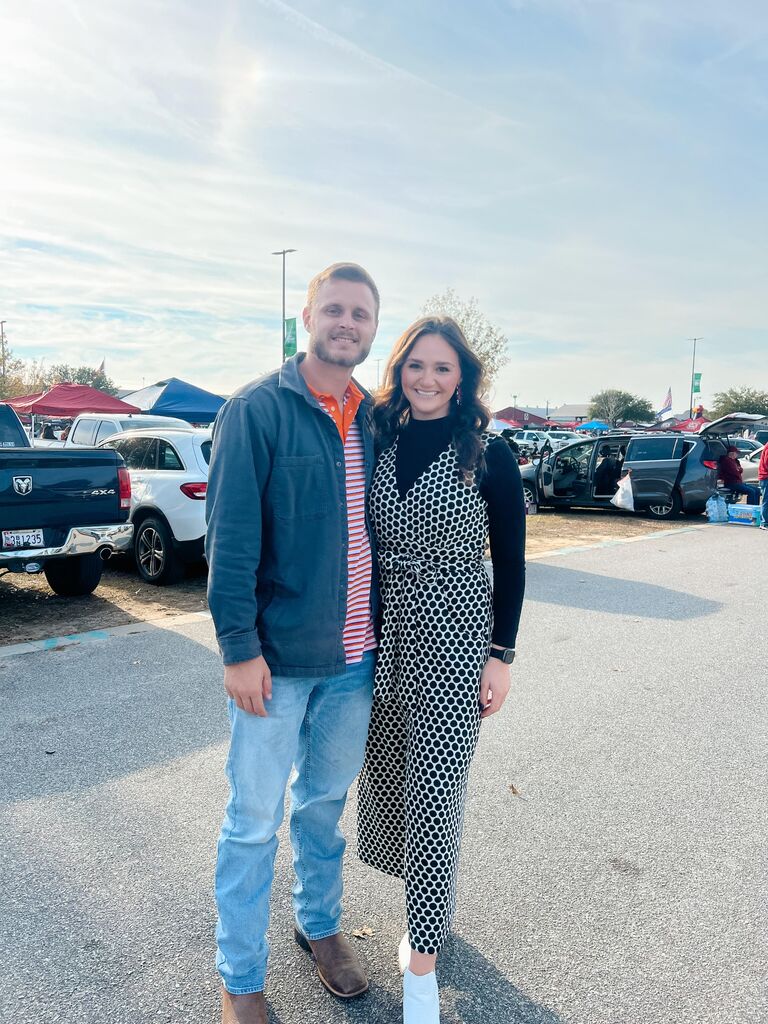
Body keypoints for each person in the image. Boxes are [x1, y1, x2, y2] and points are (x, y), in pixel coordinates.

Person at [205, 262, 380, 1024]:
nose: (347, 324)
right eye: (335, 310)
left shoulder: (376, 416)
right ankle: (239, 978)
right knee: (252, 823)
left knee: (324, 806)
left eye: (361, 314)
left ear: (374, 327)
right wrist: (238, 647)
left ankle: (320, 927)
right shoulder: (257, 410)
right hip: (277, 663)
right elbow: (231, 539)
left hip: (357, 658)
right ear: (309, 315)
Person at [357, 316, 526, 1024]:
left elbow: (512, 562)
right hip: (384, 631)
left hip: (458, 633)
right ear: (400, 369)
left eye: (443, 368)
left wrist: (502, 655)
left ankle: (422, 959)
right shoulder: (378, 440)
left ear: (463, 380)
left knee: (437, 791)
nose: (427, 379)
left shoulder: (490, 453)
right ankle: (431, 906)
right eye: (416, 365)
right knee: (391, 778)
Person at [758, 444, 768, 531]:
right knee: (766, 501)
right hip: (766, 478)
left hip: (765, 478)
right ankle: (764, 523)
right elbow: (766, 462)